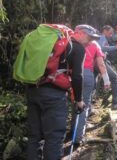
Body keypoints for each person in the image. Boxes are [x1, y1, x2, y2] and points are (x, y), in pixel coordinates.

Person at [26, 24, 99, 160]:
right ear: (80, 33)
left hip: (33, 91)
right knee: (54, 136)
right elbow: (77, 76)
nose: (91, 41)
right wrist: (79, 100)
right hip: (54, 96)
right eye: (89, 38)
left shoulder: (52, 42)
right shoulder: (77, 48)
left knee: (34, 136)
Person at [71, 26, 111, 145]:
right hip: (87, 75)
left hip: (72, 74)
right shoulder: (94, 44)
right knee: (84, 104)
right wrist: (106, 80)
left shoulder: (73, 41)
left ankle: (73, 130)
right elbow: (100, 63)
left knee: (76, 101)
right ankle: (78, 137)